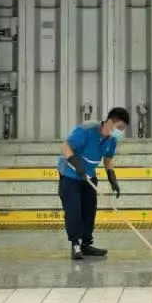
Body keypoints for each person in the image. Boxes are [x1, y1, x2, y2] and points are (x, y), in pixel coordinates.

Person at [57, 107, 130, 260]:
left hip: (89, 176)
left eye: (123, 129)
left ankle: (85, 244)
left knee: (89, 211)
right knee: (74, 211)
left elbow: (108, 159)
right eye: (120, 127)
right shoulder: (87, 130)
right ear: (110, 122)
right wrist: (76, 164)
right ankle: (75, 245)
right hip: (70, 174)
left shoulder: (112, 140)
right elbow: (65, 146)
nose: (120, 132)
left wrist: (112, 178)